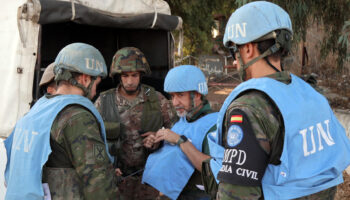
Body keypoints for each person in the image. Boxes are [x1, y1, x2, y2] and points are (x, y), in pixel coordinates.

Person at [205, 1, 350, 200]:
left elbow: (236, 195)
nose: (234, 61)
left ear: (248, 49)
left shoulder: (250, 108)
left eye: (234, 52)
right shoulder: (312, 95)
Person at [4, 43, 119, 200]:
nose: (95, 92)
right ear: (85, 79)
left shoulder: (35, 112)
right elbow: (99, 183)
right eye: (96, 84)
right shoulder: (77, 117)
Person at [94, 47, 175, 200]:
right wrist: (107, 167)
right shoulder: (104, 102)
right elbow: (92, 141)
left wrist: (159, 137)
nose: (130, 81)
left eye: (134, 75)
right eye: (125, 76)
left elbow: (177, 134)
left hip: (150, 180)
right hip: (116, 180)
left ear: (141, 75)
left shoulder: (157, 99)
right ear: (118, 76)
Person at [142, 65, 218, 200]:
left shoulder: (214, 125)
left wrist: (180, 140)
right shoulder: (183, 119)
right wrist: (157, 143)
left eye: (180, 95)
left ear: (197, 94)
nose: (175, 102)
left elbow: (214, 170)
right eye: (172, 96)